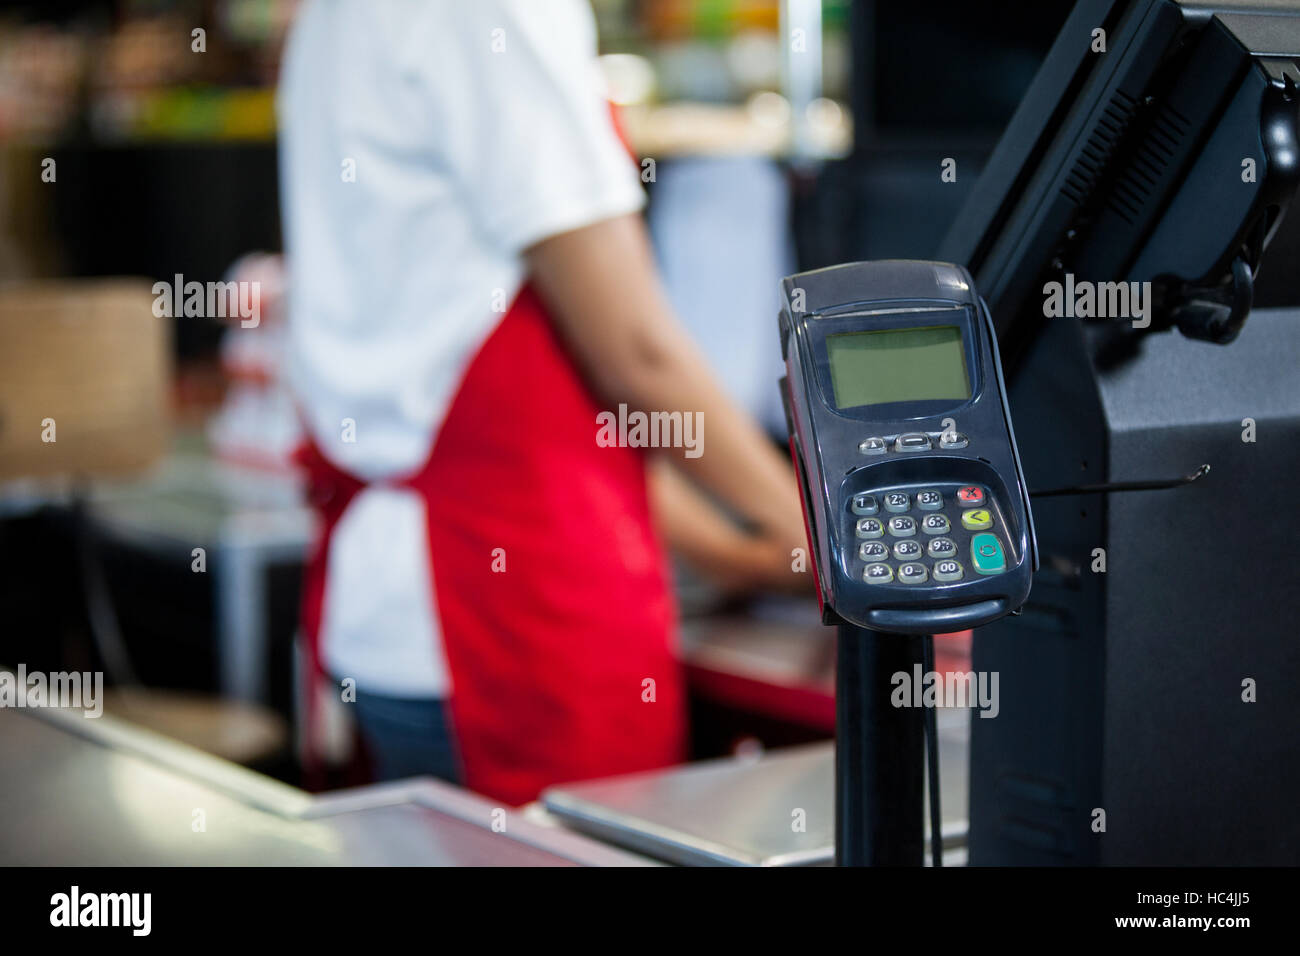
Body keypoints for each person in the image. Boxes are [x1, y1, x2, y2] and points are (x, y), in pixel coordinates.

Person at [278, 0, 808, 805]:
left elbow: (560, 406)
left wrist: (743, 552)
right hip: (502, 619)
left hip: (395, 610)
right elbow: (635, 353)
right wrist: (826, 538)